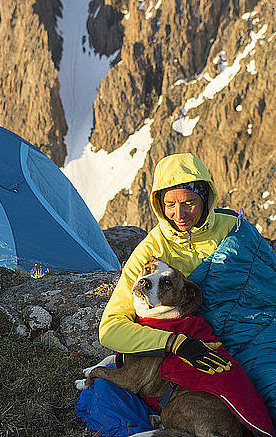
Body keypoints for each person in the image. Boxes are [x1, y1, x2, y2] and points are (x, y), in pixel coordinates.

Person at [99, 152, 237, 373]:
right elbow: (110, 328)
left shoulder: (233, 229)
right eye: (170, 204)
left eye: (189, 202)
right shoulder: (151, 249)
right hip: (192, 343)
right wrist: (172, 343)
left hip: (241, 334)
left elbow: (270, 282)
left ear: (205, 198)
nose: (179, 214)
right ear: (159, 205)